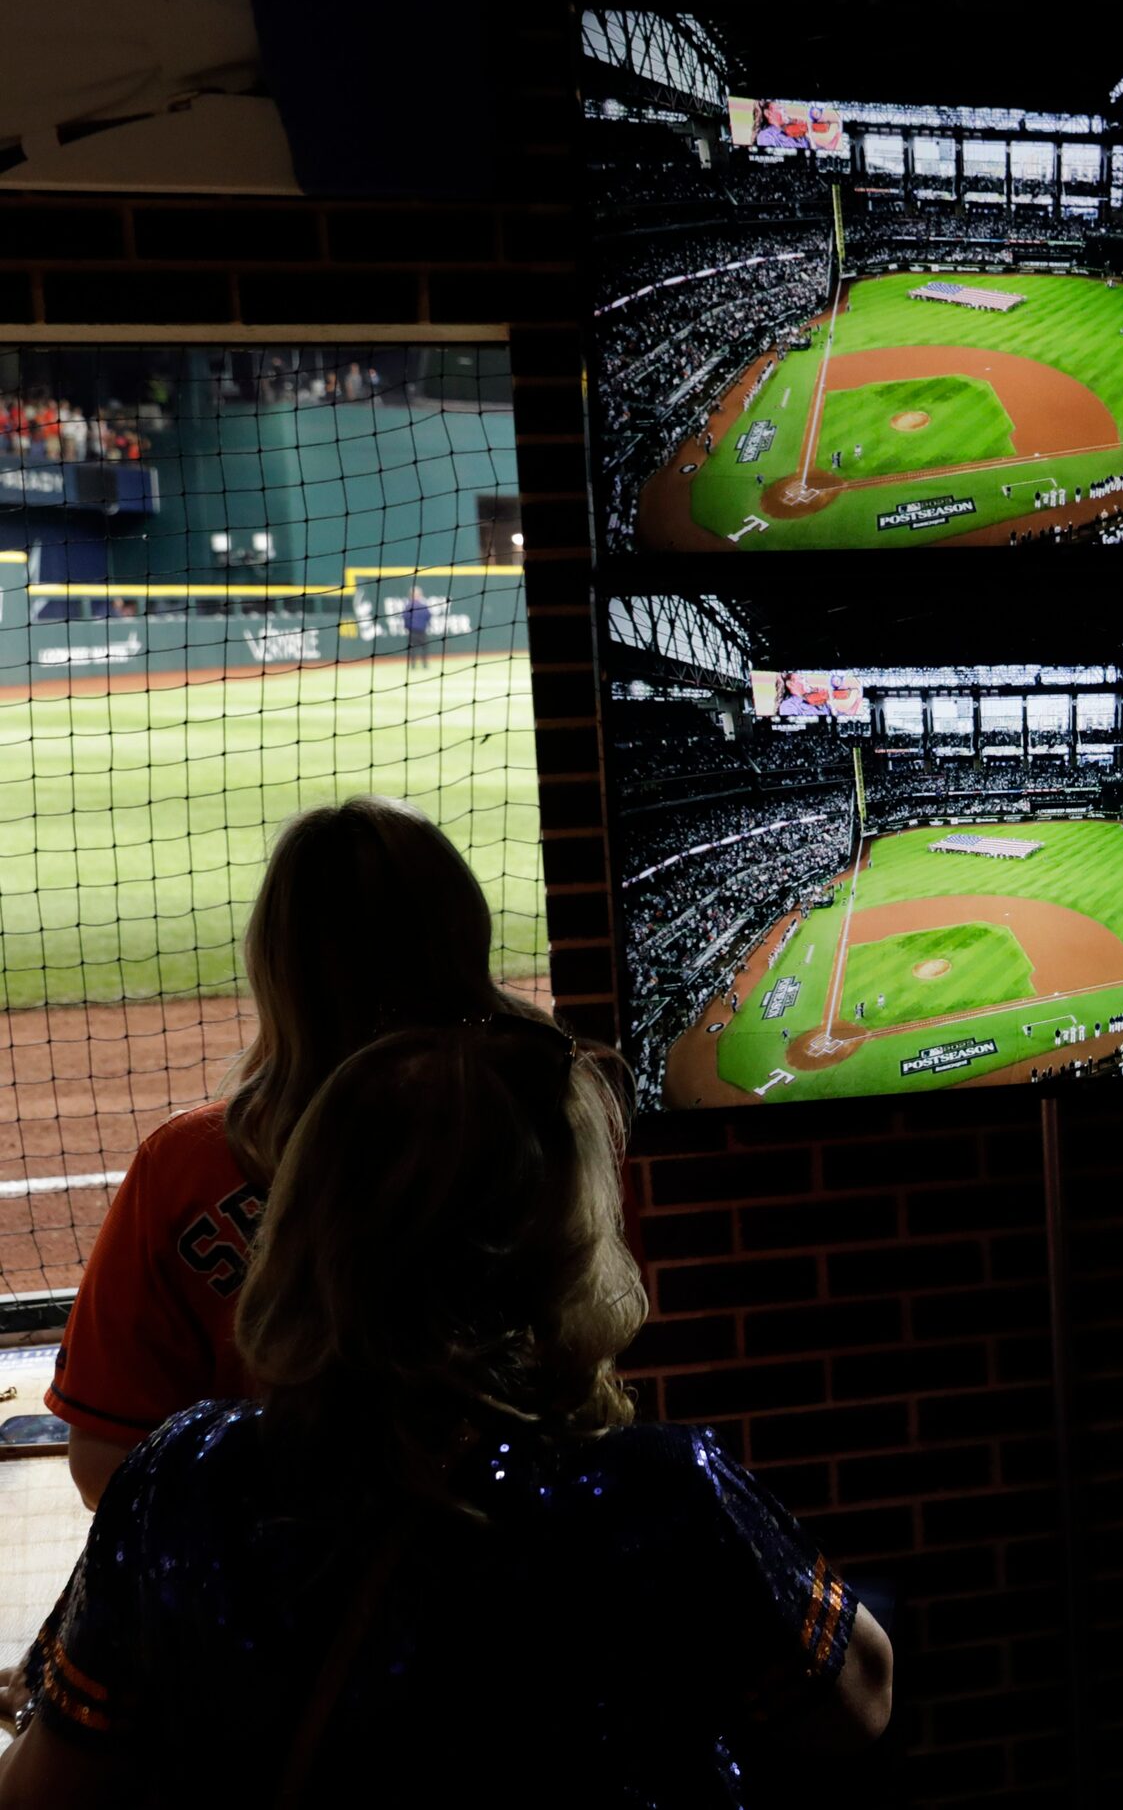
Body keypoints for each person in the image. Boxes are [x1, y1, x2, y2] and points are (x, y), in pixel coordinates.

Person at [0, 1019, 894, 1806]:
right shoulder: (656, 1492)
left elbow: (49, 1788)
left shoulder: (180, 1476)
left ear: (303, 1227)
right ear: (563, 1247)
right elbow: (857, 1703)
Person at [40, 797, 549, 1513]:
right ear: (464, 936)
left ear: (274, 963)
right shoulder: (557, 1124)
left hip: (264, 1599)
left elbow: (103, 1462)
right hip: (526, 1571)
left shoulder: (184, 1167)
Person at [401, 584, 432, 669]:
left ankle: (413, 666)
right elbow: (428, 616)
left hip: (412, 631)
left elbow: (405, 617)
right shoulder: (423, 605)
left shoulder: (408, 606)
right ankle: (424, 665)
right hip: (422, 630)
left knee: (412, 649)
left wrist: (407, 627)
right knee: (424, 648)